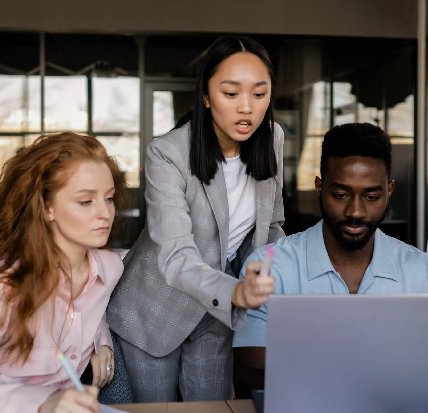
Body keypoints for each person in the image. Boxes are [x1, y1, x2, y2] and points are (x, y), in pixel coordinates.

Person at [107, 35, 284, 402]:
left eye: (259, 93)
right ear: (206, 97)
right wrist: (235, 291)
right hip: (153, 311)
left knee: (212, 407)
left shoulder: (273, 138)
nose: (246, 109)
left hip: (216, 313)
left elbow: (272, 226)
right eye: (230, 93)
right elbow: (174, 256)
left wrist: (269, 273)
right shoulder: (168, 153)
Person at [0, 132, 128, 413]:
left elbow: (88, 308)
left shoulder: (110, 268)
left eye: (108, 199)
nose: (105, 214)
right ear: (47, 208)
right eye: (85, 201)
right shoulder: (4, 282)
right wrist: (44, 402)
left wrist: (101, 340)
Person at [232, 122, 428, 397]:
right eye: (341, 195)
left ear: (389, 191)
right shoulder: (271, 266)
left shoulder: (421, 272)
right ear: (319, 187)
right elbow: (248, 370)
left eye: (372, 196)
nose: (356, 211)